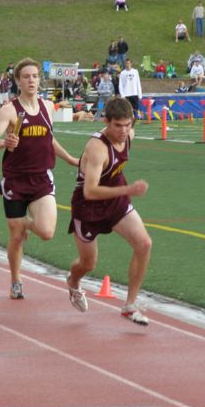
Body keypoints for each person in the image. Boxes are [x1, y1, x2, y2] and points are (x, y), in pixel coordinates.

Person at [0, 58, 79, 299]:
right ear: (17, 80)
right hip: (15, 180)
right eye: (26, 76)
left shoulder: (47, 107)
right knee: (15, 237)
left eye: (35, 76)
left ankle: (23, 222)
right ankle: (16, 280)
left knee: (46, 231)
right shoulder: (10, 110)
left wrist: (69, 158)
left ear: (40, 79)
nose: (31, 80)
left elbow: (49, 139)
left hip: (41, 178)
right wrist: (4, 142)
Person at [66, 98, 151, 326]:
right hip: (88, 206)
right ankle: (73, 282)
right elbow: (91, 191)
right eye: (118, 126)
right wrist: (130, 189)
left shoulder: (129, 136)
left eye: (128, 124)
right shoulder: (97, 148)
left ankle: (130, 305)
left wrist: (123, 192)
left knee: (144, 244)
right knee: (88, 264)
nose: (124, 131)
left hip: (116, 201)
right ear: (106, 122)